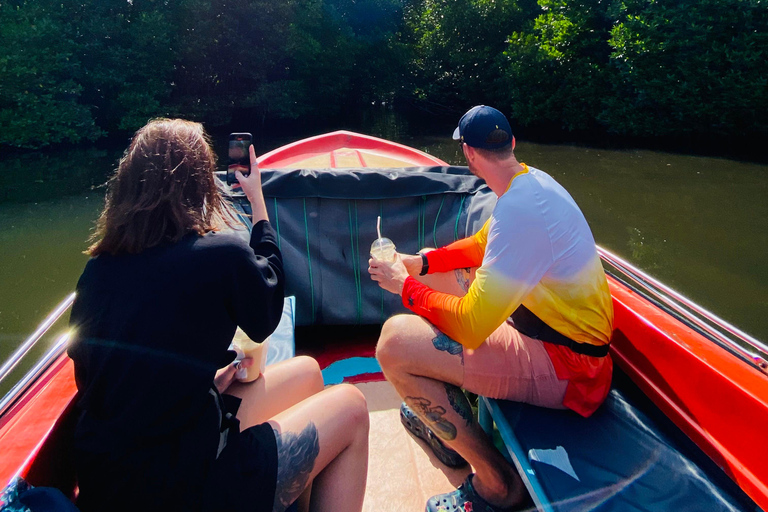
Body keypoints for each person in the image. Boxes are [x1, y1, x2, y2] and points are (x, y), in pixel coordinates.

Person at [68, 119, 369, 512]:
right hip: (187, 487)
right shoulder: (220, 255)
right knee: (352, 408)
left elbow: (94, 378)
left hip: (109, 485)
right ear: (199, 184)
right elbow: (265, 317)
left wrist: (200, 383)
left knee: (308, 373)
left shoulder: (97, 271)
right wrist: (258, 206)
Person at [368, 106, 613, 512]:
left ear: (468, 153)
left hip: (572, 370)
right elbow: (482, 244)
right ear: (512, 144)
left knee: (393, 345)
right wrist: (420, 265)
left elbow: (470, 327)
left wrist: (403, 285)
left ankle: (497, 484)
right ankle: (448, 423)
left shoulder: (520, 209)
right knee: (433, 261)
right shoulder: (529, 183)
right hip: (546, 334)